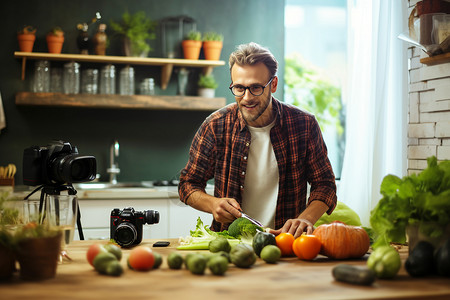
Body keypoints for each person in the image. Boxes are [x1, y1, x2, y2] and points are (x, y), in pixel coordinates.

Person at [178, 42, 337, 238]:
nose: (246, 97)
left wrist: (306, 218)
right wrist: (213, 204)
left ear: (274, 84)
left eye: (255, 88)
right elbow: (187, 184)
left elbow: (325, 184)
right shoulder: (215, 125)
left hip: (286, 243)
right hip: (229, 243)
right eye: (239, 88)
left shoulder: (304, 125)